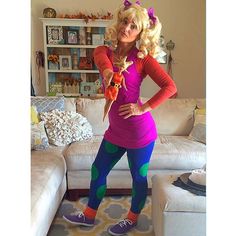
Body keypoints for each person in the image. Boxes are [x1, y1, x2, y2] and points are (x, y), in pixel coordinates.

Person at [63, 1, 177, 235]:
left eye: (133, 26)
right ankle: (89, 215)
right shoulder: (103, 51)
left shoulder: (143, 59)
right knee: (98, 170)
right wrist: (109, 74)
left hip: (140, 133)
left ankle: (132, 219)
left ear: (140, 33)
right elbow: (104, 65)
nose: (126, 28)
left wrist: (143, 107)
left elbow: (170, 86)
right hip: (115, 132)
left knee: (137, 177)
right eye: (125, 21)